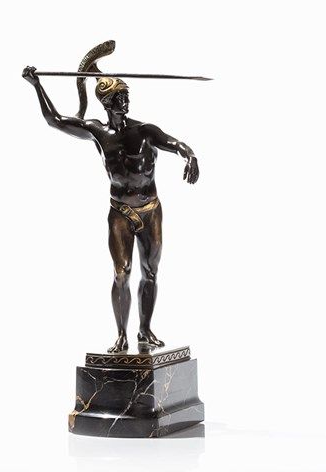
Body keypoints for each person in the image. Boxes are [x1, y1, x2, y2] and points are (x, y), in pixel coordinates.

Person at [22, 58, 199, 354]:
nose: (125, 101)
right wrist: (37, 85)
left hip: (150, 210)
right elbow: (56, 120)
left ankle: (145, 330)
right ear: (106, 102)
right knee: (122, 272)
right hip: (120, 212)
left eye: (126, 95)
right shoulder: (99, 133)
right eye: (119, 97)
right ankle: (121, 335)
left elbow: (175, 143)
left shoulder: (145, 131)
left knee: (150, 272)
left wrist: (190, 156)